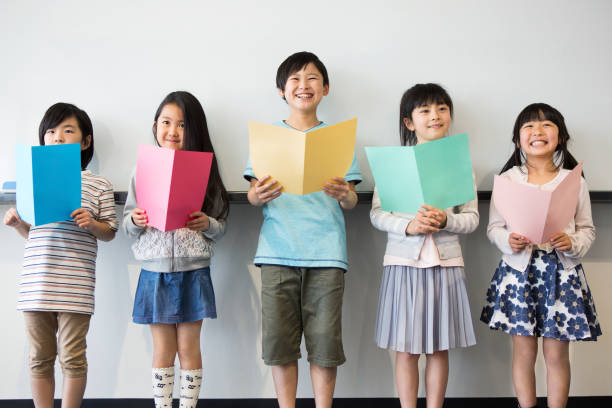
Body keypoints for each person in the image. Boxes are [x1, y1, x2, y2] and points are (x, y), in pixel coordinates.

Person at [244, 51, 362, 408]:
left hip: (327, 253)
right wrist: (255, 194)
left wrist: (346, 195)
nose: (303, 85)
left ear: (325, 88)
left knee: (325, 343)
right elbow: (253, 195)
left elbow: (352, 200)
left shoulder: (339, 138)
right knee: (280, 343)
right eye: (294, 79)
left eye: (312, 78)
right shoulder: (267, 138)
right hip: (277, 250)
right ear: (281, 90)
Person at [480, 103, 601, 408]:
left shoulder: (574, 181)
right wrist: (509, 239)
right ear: (517, 139)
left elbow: (587, 230)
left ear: (560, 138)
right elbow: (494, 228)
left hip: (561, 275)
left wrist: (570, 241)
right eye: (529, 126)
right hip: (520, 274)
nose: (537, 131)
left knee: (557, 355)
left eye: (547, 125)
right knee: (523, 353)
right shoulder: (507, 180)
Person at [3, 102, 118, 408]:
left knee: (73, 358)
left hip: (75, 287)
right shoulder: (32, 178)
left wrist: (91, 223)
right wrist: (18, 225)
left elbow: (110, 232)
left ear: (85, 140)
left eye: (68, 131)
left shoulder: (99, 183)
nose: (57, 137)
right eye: (51, 131)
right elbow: (36, 235)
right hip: (36, 286)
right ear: (43, 139)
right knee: (39, 358)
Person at [371, 83, 478, 408]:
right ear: (409, 122)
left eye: (442, 109)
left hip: (445, 264)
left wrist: (447, 221)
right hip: (403, 264)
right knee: (405, 348)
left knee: (438, 347)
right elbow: (377, 214)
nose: (435, 116)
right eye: (426, 110)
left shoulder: (460, 164)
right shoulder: (395, 163)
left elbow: (471, 219)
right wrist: (409, 226)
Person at [122, 91, 229, 408]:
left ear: (194, 129)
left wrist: (206, 223)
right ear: (155, 125)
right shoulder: (140, 169)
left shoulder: (206, 170)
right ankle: (163, 405)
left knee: (189, 347)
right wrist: (136, 220)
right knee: (162, 350)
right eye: (166, 122)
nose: (172, 131)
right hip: (154, 273)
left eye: (182, 125)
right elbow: (126, 227)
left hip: (193, 271)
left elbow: (221, 227)